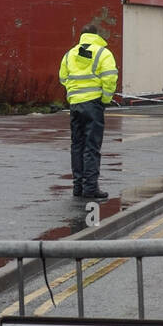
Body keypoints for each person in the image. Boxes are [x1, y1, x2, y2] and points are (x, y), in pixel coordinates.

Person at [58, 26, 117, 200]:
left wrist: (74, 91)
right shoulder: (103, 53)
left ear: (83, 36)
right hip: (93, 104)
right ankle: (90, 188)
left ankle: (78, 187)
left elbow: (63, 77)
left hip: (75, 105)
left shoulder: (70, 54)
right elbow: (110, 78)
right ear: (96, 36)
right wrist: (105, 99)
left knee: (77, 146)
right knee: (92, 146)